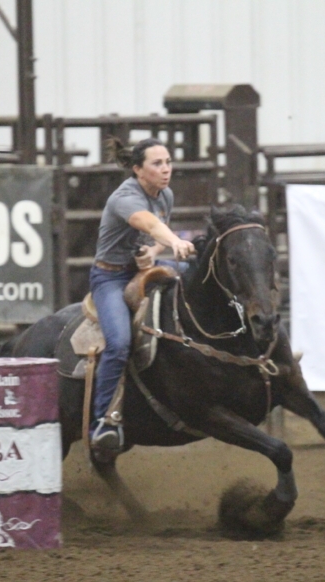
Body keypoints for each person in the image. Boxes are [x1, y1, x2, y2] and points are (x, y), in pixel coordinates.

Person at [88, 137, 195, 454]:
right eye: (157, 164)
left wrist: (155, 250)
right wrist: (173, 242)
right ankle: (103, 422)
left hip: (142, 269)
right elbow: (147, 222)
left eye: (168, 162)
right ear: (137, 169)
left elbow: (158, 231)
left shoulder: (165, 194)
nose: (166, 169)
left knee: (196, 282)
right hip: (110, 277)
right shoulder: (125, 197)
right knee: (119, 343)